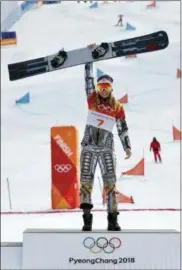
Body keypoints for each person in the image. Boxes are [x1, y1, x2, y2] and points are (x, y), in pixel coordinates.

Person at [80, 62, 132, 231]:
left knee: (111, 184)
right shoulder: (92, 99)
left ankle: (112, 220)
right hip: (89, 146)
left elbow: (122, 127)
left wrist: (127, 146)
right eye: (100, 86)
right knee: (86, 183)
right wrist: (88, 61)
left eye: (106, 87)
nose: (103, 89)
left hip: (106, 148)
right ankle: (87, 220)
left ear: (110, 88)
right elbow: (88, 81)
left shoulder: (117, 106)